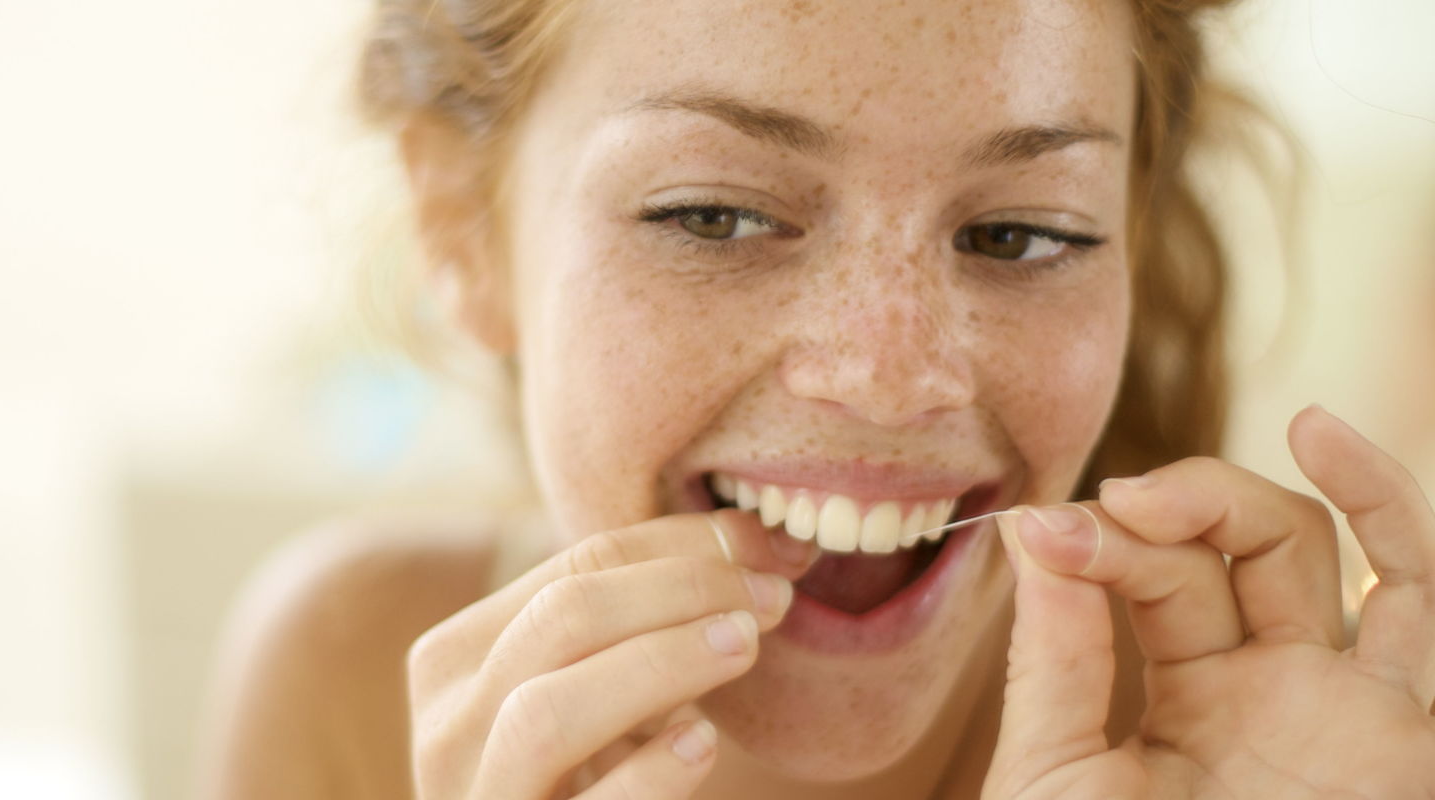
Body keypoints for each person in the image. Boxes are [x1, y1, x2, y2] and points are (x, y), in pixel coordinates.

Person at [197, 0, 1435, 797]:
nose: (892, 376)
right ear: (462, 236)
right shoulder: (340, 671)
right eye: (713, 215)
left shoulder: (1254, 751)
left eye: (1018, 233)